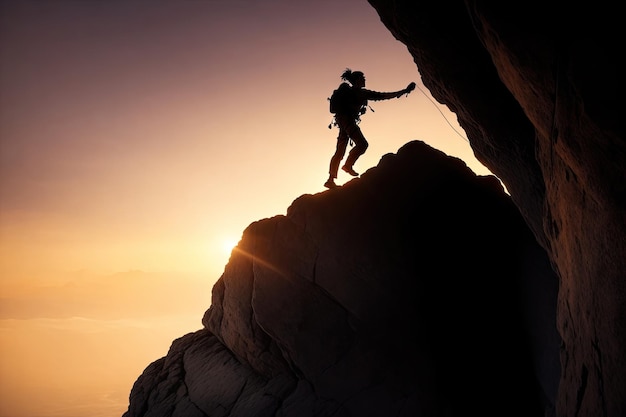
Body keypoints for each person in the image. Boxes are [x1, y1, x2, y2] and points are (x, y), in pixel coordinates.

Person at [324, 68, 416, 189]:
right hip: (348, 122)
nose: (364, 80)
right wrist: (404, 91)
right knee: (362, 144)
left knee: (339, 152)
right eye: (362, 78)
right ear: (357, 80)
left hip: (342, 122)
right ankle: (348, 165)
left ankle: (330, 179)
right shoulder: (362, 93)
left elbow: (381, 96)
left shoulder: (349, 92)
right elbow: (382, 96)